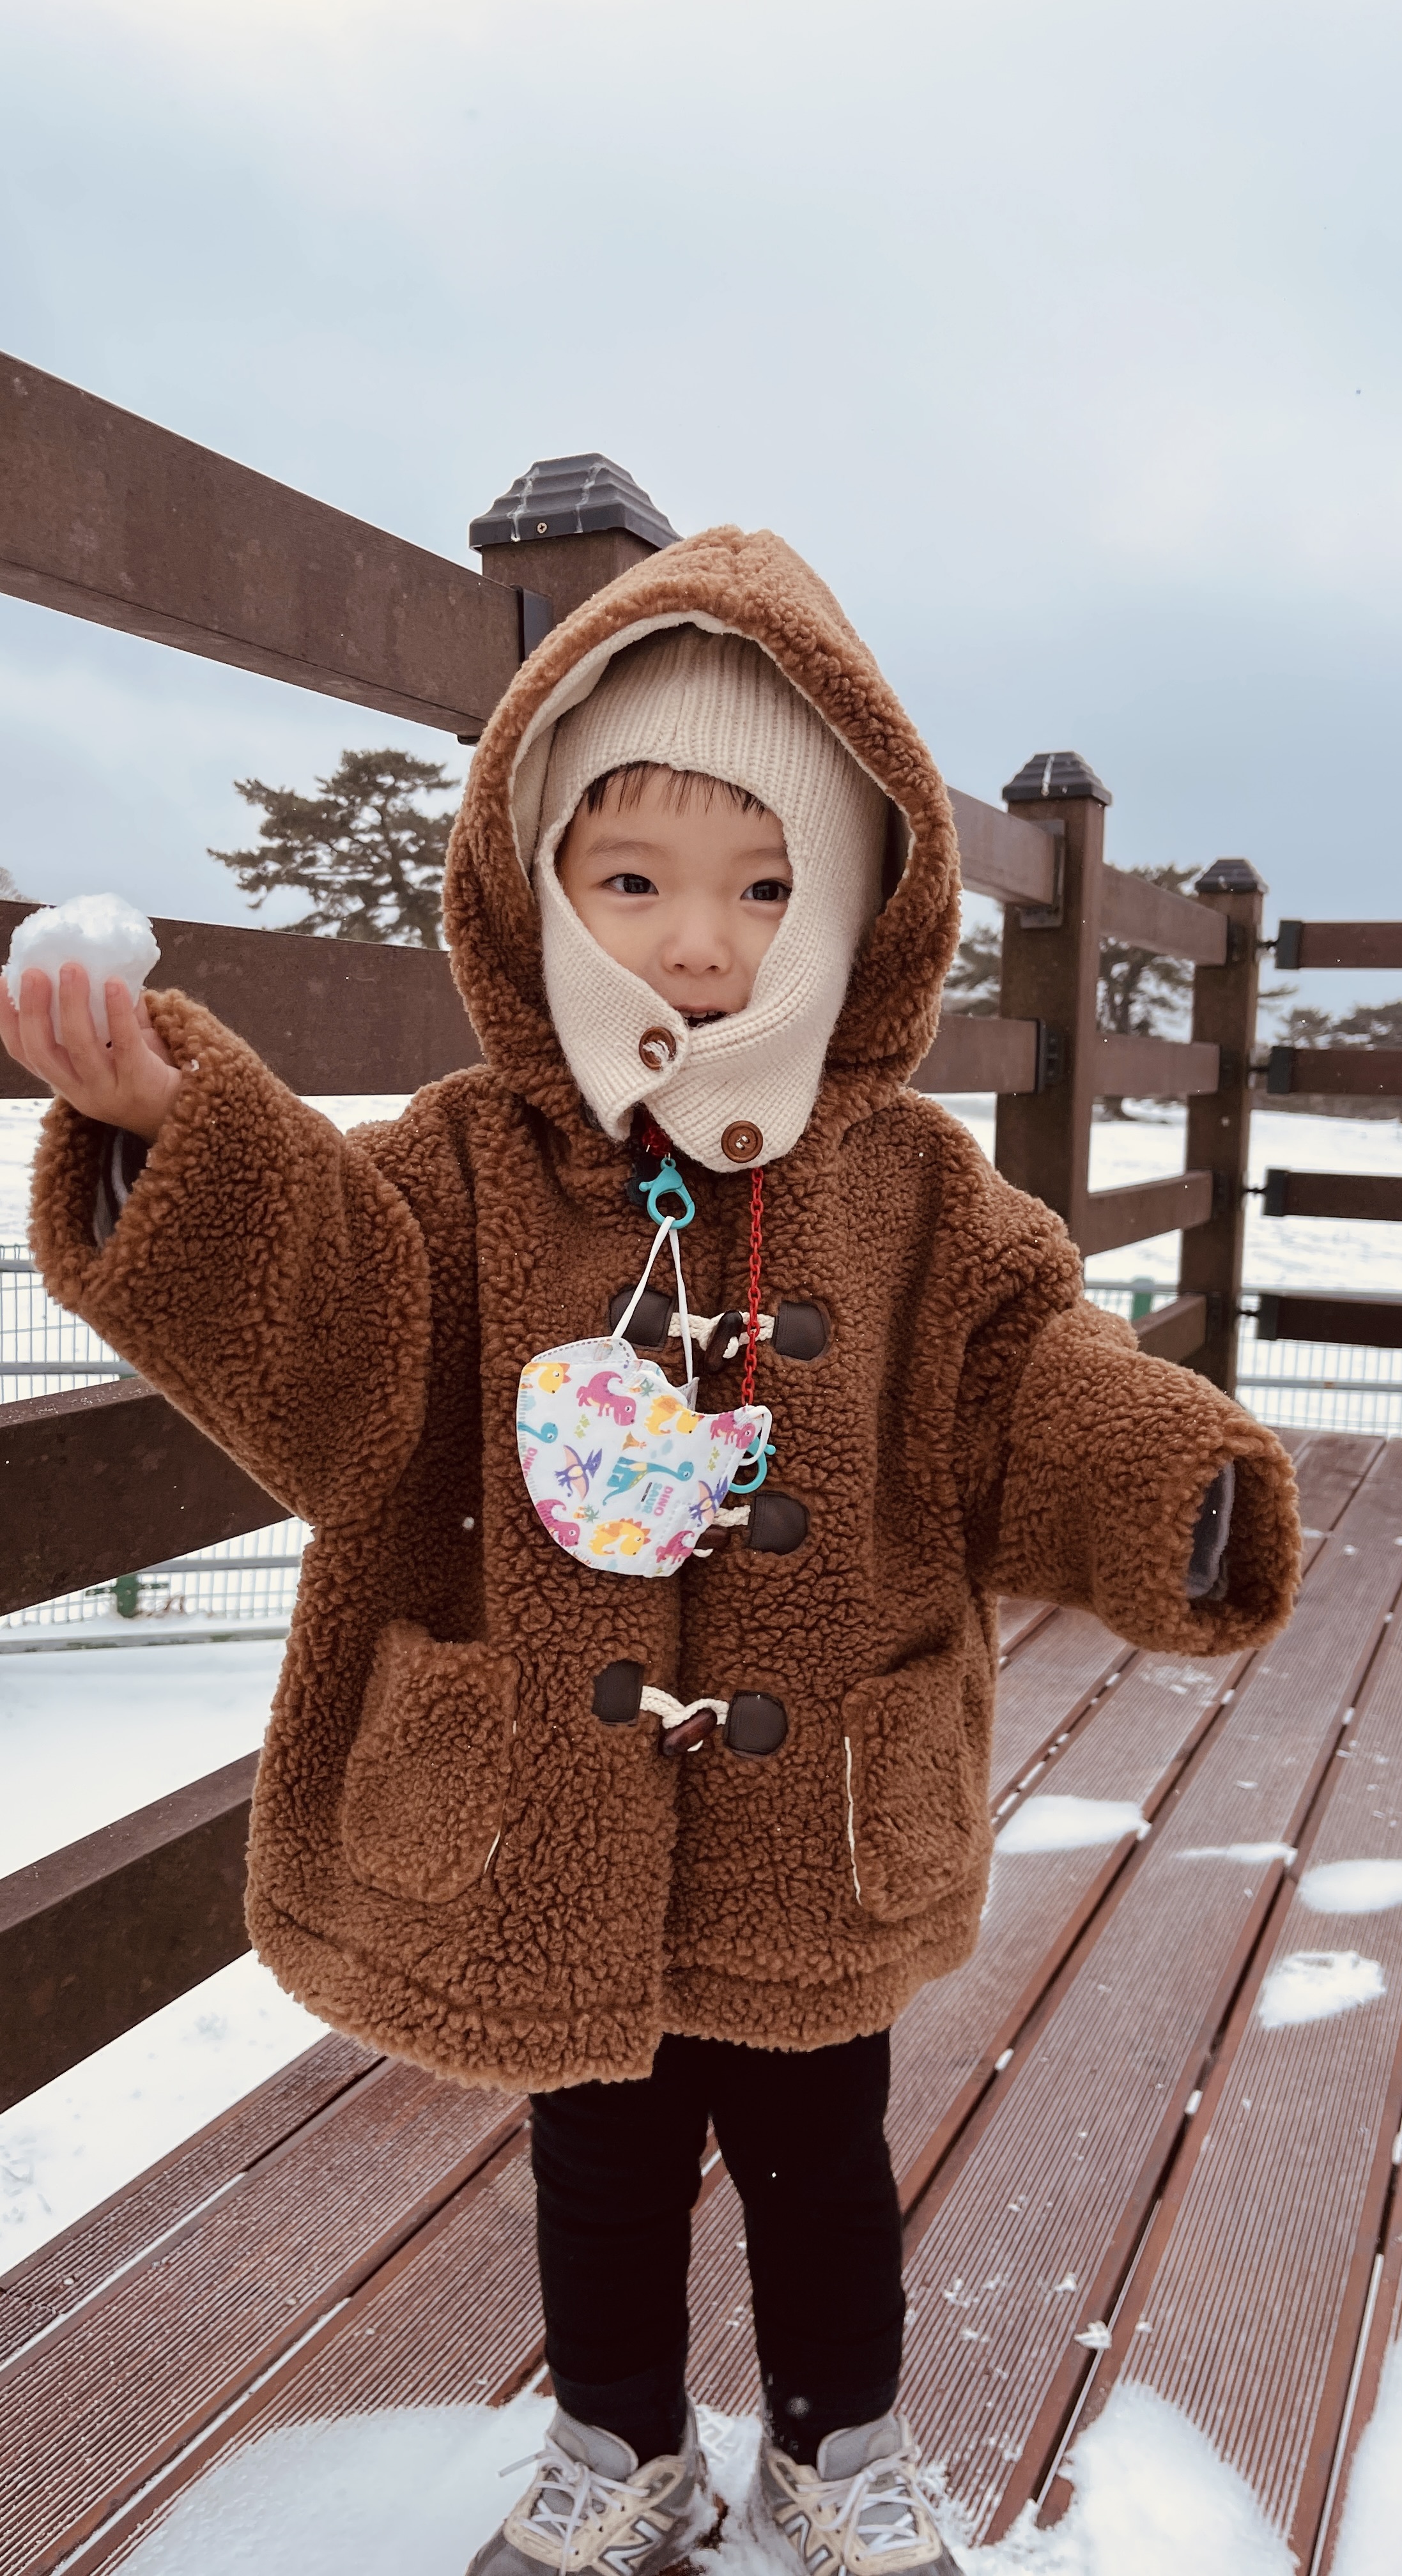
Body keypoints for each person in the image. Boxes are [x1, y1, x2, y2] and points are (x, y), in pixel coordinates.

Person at [3, 529, 1300, 2576]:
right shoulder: (465, 1160)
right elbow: (336, 1326)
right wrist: (194, 1145)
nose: (698, 943)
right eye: (632, 881)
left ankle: (837, 2443)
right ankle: (618, 2443)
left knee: (820, 2157)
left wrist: (1162, 1483)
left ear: (858, 910)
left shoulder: (909, 1187)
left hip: (820, 1811)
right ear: (535, 892)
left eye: (765, 886)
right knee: (594, 2160)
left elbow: (1016, 1380)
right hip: (552, 1812)